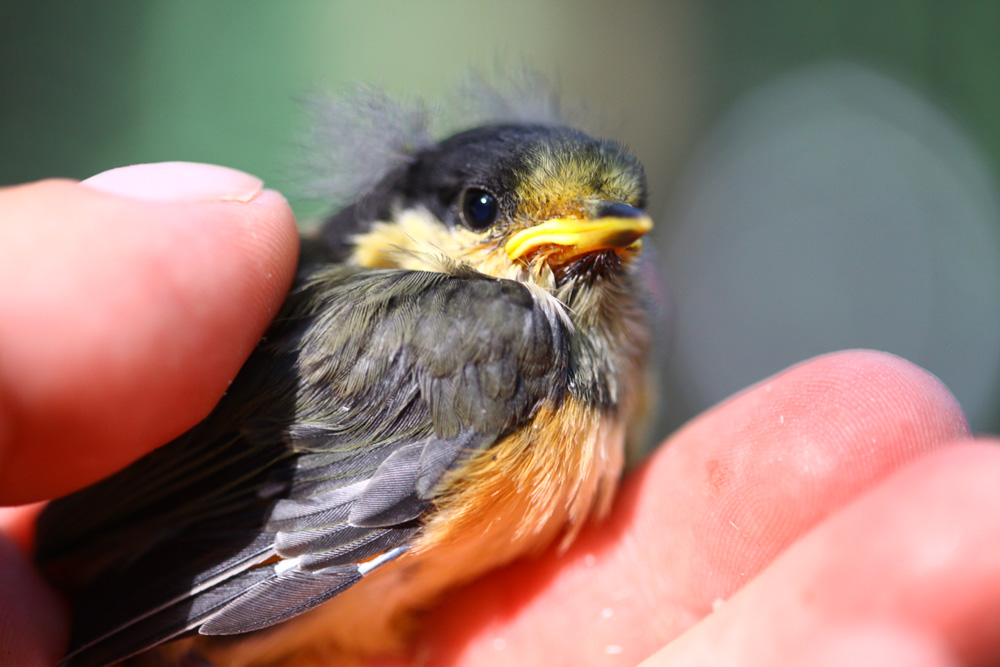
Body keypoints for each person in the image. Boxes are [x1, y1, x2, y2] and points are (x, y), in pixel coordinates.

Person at [1, 162, 997, 666]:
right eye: (487, 212)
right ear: (420, 220)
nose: (571, 238)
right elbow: (266, 546)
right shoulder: (491, 339)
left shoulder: (597, 351)